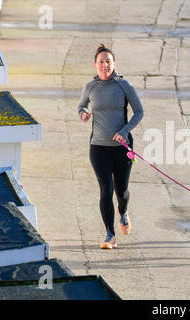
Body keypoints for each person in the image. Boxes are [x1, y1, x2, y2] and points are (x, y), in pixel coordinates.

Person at [78, 44, 144, 249]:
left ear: (114, 64)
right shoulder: (90, 87)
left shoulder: (124, 86)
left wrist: (124, 131)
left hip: (123, 148)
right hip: (98, 147)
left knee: (121, 191)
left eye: (108, 61)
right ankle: (109, 235)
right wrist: (83, 114)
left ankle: (123, 212)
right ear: (95, 65)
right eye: (101, 62)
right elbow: (81, 105)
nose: (105, 65)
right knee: (106, 188)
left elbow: (139, 112)